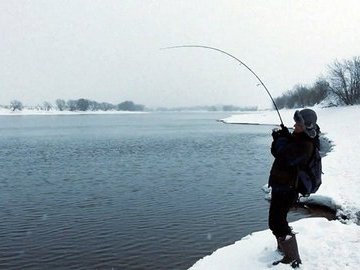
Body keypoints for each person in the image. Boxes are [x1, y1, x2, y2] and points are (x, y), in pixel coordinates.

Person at [268, 108, 320, 268]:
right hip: (281, 186)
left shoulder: (306, 144)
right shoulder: (299, 138)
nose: (294, 126)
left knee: (276, 222)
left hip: (288, 188)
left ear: (307, 126)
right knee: (277, 221)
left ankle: (292, 258)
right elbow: (277, 151)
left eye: (298, 124)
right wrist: (284, 135)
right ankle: (284, 248)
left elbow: (286, 157)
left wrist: (280, 139)